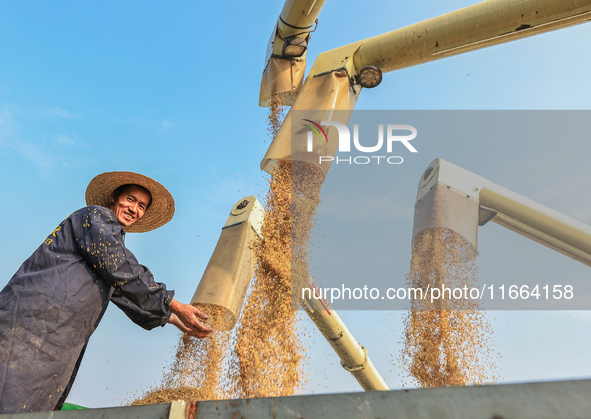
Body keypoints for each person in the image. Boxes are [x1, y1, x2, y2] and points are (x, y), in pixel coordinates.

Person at [0, 171, 212, 413]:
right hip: (28, 327)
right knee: (11, 401)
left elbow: (124, 290)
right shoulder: (95, 216)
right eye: (131, 199)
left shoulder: (106, 252)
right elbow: (121, 268)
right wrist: (173, 304)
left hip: (55, 342)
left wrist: (173, 318)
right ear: (113, 197)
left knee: (33, 408)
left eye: (142, 206)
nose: (135, 209)